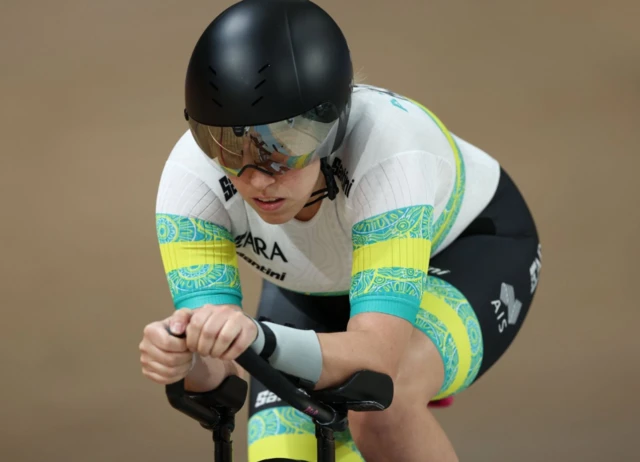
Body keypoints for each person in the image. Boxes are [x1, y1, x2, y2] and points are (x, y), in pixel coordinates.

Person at [138, 1, 543, 461]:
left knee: (383, 409)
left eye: (283, 148)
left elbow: (376, 362)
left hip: (462, 250)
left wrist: (258, 339)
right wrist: (186, 356)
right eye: (228, 148)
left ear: (333, 128)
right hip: (316, 286)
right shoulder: (191, 183)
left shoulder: (389, 154)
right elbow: (220, 376)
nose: (256, 178)